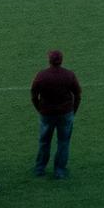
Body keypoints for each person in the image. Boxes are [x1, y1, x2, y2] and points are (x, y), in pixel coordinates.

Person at [30, 50, 80, 179]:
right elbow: (78, 94)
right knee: (63, 142)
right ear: (61, 60)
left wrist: (39, 108)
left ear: (49, 60)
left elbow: (34, 95)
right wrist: (73, 110)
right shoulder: (69, 75)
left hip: (47, 113)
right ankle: (59, 171)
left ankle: (40, 168)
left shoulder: (41, 76)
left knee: (44, 141)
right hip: (65, 113)